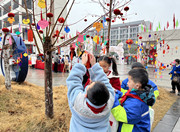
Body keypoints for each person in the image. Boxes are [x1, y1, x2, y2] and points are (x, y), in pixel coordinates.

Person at [66, 53, 115, 132]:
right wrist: (94, 66)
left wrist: (82, 64)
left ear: (85, 95)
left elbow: (73, 81)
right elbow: (105, 82)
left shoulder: (77, 102)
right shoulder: (110, 102)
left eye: (89, 86)